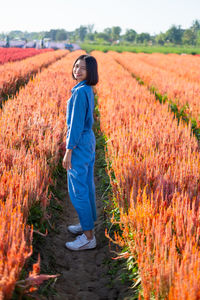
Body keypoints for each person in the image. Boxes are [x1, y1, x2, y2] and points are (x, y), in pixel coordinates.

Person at [62, 54, 99, 251]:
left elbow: (75, 125)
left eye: (82, 68)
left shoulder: (79, 93)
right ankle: (87, 225)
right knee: (86, 185)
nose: (77, 70)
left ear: (90, 72)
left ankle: (88, 237)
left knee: (78, 190)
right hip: (88, 141)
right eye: (76, 66)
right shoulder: (86, 89)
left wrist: (69, 151)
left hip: (79, 143)